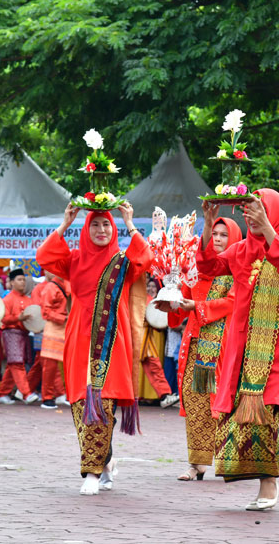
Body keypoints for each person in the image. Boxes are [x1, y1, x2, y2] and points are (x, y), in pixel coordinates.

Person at [196, 190, 279, 511]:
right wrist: (206, 223)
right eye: (247, 210)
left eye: (257, 209)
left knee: (265, 413)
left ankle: (268, 485)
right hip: (242, 345)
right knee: (243, 413)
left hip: (278, 346)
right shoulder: (240, 249)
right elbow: (208, 267)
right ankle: (257, 477)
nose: (250, 215)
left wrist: (267, 227)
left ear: (273, 212)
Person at [36, 201, 151, 496]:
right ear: (86, 230)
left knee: (104, 402)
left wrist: (129, 222)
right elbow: (44, 256)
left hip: (114, 340)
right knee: (82, 405)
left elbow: (146, 258)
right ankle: (105, 459)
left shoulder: (123, 261)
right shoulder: (73, 260)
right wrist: (65, 224)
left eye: (106, 225)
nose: (101, 230)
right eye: (95, 225)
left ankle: (92, 471)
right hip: (79, 339)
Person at [160, 217, 242, 481]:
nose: (217, 239)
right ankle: (197, 463)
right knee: (196, 403)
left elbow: (231, 303)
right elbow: (179, 307)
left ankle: (229, 458)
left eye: (223, 235)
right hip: (195, 345)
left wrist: (195, 306)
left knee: (217, 403)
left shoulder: (236, 271)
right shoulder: (194, 272)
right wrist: (170, 304)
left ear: (235, 240)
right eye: (213, 234)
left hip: (220, 348)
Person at [26, 270, 69, 409]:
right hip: (53, 327)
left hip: (67, 327)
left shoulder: (68, 284)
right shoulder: (50, 287)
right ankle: (47, 397)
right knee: (49, 365)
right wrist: (63, 318)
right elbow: (45, 311)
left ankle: (68, 394)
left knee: (69, 363)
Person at [0, 269, 35, 405]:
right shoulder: (7, 299)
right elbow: (3, 318)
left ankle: (1, 393)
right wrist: (19, 317)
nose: (22, 282)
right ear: (11, 282)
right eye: (19, 280)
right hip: (11, 333)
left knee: (13, 364)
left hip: (24, 334)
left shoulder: (29, 300)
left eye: (23, 280)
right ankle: (26, 393)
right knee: (17, 363)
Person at [139, 277, 178, 407]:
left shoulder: (149, 300)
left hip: (143, 336)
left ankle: (165, 394)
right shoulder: (136, 296)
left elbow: (157, 322)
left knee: (153, 365)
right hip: (132, 335)